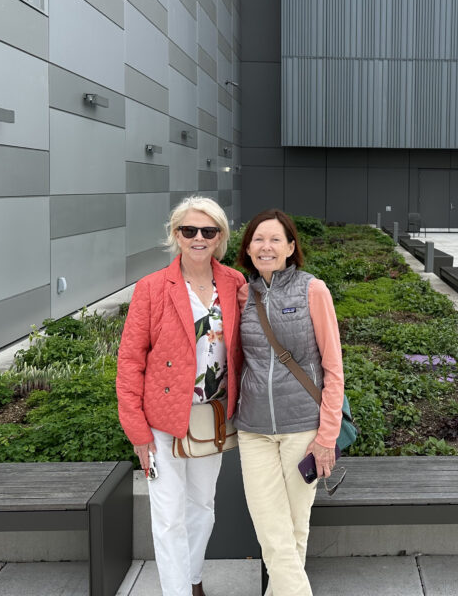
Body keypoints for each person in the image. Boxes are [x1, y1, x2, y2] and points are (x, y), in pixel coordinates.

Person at [116, 196, 246, 596]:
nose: (198, 238)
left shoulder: (234, 283)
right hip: (162, 422)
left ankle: (192, 580)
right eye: (189, 230)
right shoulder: (152, 288)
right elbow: (129, 362)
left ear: (220, 237)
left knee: (203, 509)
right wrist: (137, 432)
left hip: (212, 417)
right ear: (176, 234)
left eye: (208, 231)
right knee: (168, 516)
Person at [234, 209, 345, 596]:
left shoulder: (313, 290)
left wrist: (327, 436)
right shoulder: (241, 294)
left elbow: (333, 368)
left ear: (291, 247)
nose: (266, 246)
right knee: (272, 530)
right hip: (254, 429)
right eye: (258, 239)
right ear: (247, 248)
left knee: (295, 528)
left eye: (275, 239)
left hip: (303, 428)